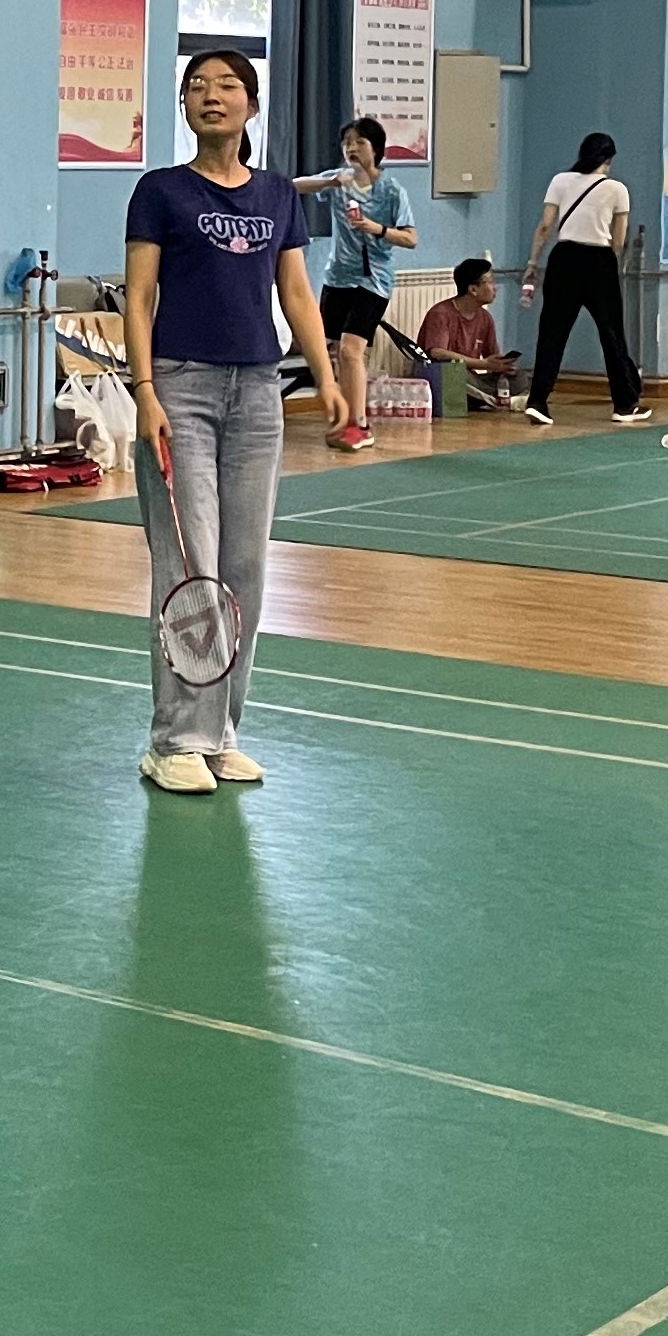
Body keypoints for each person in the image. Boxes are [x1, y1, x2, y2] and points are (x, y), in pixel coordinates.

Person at [122, 48, 346, 798]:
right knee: (193, 565)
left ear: (251, 104)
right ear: (185, 107)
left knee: (244, 569)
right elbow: (139, 297)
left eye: (226, 85)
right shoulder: (160, 191)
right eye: (196, 87)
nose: (209, 95)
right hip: (179, 389)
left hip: (257, 394)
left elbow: (297, 294)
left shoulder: (278, 194)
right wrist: (145, 390)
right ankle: (174, 740)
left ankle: (219, 733)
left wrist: (325, 375)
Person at [292, 115, 415, 452]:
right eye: (347, 142)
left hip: (373, 280)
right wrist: (331, 182)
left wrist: (376, 228)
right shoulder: (340, 180)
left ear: (376, 149)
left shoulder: (392, 191)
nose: (352, 148)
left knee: (351, 350)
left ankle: (359, 424)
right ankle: (344, 417)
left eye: (360, 142)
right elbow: (294, 185)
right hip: (337, 278)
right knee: (333, 351)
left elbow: (410, 238)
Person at [521, 131, 644, 426]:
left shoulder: (560, 181)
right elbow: (619, 239)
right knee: (611, 334)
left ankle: (538, 401)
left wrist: (533, 262)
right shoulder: (617, 189)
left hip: (563, 258)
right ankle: (624, 404)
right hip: (599, 260)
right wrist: (610, 260)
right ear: (609, 159)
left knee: (552, 333)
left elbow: (545, 226)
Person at [418, 254, 518, 409]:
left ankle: (485, 398)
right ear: (473, 289)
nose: (495, 287)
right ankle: (493, 401)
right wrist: (483, 364)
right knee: (456, 376)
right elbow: (437, 352)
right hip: (445, 376)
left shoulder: (485, 317)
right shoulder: (441, 313)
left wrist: (503, 366)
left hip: (472, 378)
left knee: (521, 378)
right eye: (491, 281)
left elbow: (492, 356)